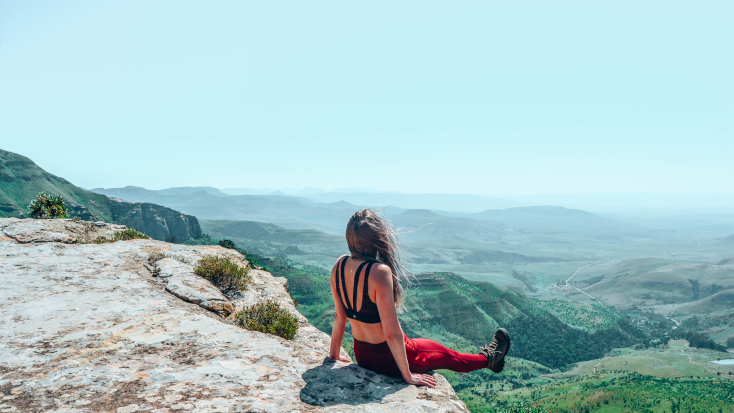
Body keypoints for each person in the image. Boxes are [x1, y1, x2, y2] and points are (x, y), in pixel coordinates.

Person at [328, 208, 511, 387]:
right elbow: (392, 334)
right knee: (448, 356)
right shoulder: (378, 273)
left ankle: (489, 359)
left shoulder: (339, 264)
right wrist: (408, 376)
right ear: (376, 237)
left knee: (432, 347)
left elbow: (340, 317)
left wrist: (334, 356)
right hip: (390, 359)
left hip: (362, 355)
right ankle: (490, 359)